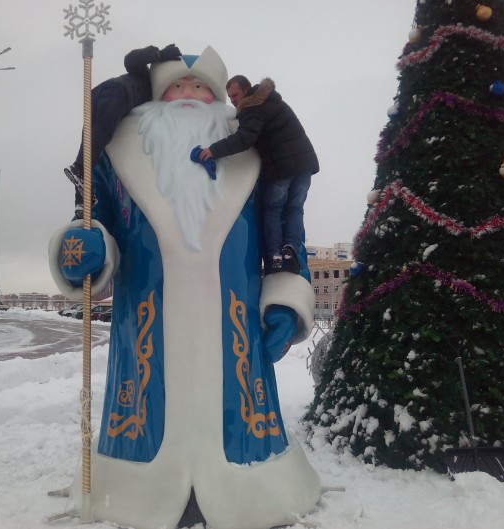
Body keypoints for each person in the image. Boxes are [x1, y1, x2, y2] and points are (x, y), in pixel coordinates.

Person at [49, 46, 320, 529]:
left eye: (201, 87)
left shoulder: (256, 154)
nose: (189, 94)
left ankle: (251, 487)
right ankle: (134, 490)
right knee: (147, 401)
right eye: (178, 86)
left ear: (221, 97)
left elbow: (284, 233)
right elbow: (94, 218)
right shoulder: (114, 153)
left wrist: (284, 298)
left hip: (235, 325)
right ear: (157, 94)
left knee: (238, 410)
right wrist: (84, 250)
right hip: (144, 322)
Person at [198, 75, 319, 274]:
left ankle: (275, 255)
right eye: (230, 97)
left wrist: (213, 150)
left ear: (246, 90)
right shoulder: (274, 101)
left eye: (235, 95)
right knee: (295, 208)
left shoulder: (252, 107)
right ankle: (291, 248)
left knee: (273, 208)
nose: (233, 101)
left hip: (282, 166)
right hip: (305, 163)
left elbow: (244, 138)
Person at [64, 44, 182, 218]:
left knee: (91, 142)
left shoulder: (156, 100)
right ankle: (79, 168)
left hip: (97, 95)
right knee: (103, 131)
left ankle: (82, 200)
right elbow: (131, 60)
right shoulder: (146, 78)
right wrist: (158, 54)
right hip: (118, 91)